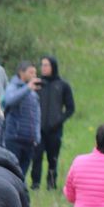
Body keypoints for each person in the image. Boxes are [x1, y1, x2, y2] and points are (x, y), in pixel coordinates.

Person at [31, 55, 75, 190]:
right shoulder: (36, 84)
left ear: (53, 67)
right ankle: (35, 184)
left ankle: (51, 184)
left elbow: (70, 108)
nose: (43, 68)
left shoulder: (62, 85)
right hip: (38, 128)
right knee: (36, 157)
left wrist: (58, 120)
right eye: (42, 65)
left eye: (46, 65)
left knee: (53, 159)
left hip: (55, 129)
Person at [2, 61, 41, 177]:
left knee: (22, 175)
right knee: (11, 172)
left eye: (35, 72)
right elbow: (9, 101)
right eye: (31, 72)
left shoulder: (33, 93)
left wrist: (37, 136)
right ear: (21, 72)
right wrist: (28, 88)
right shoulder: (12, 87)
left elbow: (37, 115)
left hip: (29, 140)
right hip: (14, 138)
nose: (34, 75)